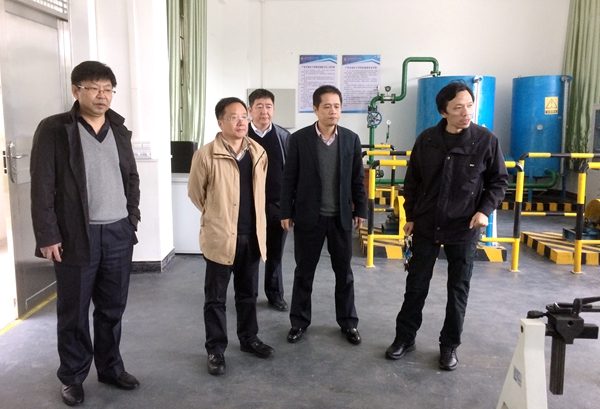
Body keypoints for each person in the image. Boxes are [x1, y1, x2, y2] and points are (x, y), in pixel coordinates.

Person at [30, 61, 141, 406]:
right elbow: (42, 185)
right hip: (76, 236)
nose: (102, 95)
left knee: (112, 308)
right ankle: (73, 376)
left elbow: (131, 177)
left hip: (118, 233)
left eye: (108, 89)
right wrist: (48, 235)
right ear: (76, 90)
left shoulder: (118, 128)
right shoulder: (55, 129)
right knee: (74, 312)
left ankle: (110, 368)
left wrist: (131, 218)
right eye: (93, 88)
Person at [385, 80, 508, 370]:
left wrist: (484, 211)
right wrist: (410, 216)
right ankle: (405, 338)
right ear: (443, 112)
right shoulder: (427, 140)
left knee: (458, 289)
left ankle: (449, 345)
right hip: (427, 224)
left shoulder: (486, 141)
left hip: (464, 226)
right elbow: (412, 182)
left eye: (469, 106)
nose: (466, 113)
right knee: (416, 285)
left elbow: (498, 181)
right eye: (458, 108)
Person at [188, 97, 274, 376]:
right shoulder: (206, 155)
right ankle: (215, 349)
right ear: (220, 122)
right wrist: (217, 215)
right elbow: (196, 194)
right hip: (221, 237)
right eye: (233, 117)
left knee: (248, 293)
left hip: (252, 235)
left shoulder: (258, 152)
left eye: (243, 117)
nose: (241, 122)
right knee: (215, 298)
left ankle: (249, 338)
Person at [281, 85, 367, 345]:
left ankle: (349, 323)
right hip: (309, 217)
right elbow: (289, 178)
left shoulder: (351, 139)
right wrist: (286, 211)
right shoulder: (299, 139)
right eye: (327, 106)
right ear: (315, 109)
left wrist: (361, 210)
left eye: (337, 106)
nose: (333, 111)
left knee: (345, 273)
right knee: (304, 272)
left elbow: (357, 179)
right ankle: (299, 322)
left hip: (341, 217)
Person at [247, 89, 291, 312]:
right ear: (250, 110)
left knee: (275, 253)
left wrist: (289, 208)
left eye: (268, 106)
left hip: (277, 205)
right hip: (248, 206)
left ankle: (275, 294)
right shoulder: (241, 135)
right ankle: (249, 295)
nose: (264, 111)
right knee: (250, 253)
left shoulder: (284, 137)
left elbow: (292, 174)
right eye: (259, 106)